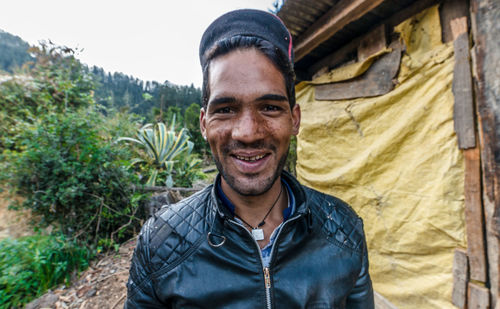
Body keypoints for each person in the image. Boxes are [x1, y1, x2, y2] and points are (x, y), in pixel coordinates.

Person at [125, 9, 374, 308]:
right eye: (226, 109)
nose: (248, 132)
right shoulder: (160, 245)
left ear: (294, 120)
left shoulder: (344, 231)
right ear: (204, 124)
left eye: (269, 107)